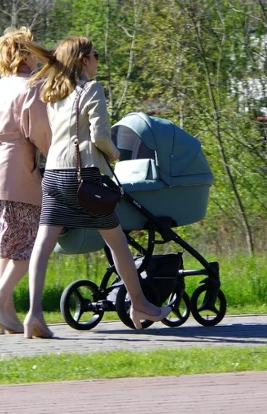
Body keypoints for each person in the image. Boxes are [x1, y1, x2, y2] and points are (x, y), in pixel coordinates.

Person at [18, 36, 171, 339]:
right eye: (96, 55)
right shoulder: (92, 89)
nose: (98, 60)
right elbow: (100, 135)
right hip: (85, 177)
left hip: (54, 175)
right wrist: (113, 154)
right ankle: (140, 304)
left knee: (43, 245)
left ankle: (34, 314)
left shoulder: (53, 92)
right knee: (116, 242)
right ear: (84, 60)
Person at [0, 27, 52, 334]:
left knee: (4, 246)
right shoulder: (29, 88)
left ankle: (4, 315)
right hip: (16, 173)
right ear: (26, 53)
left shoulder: (0, 87)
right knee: (29, 244)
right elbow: (41, 134)